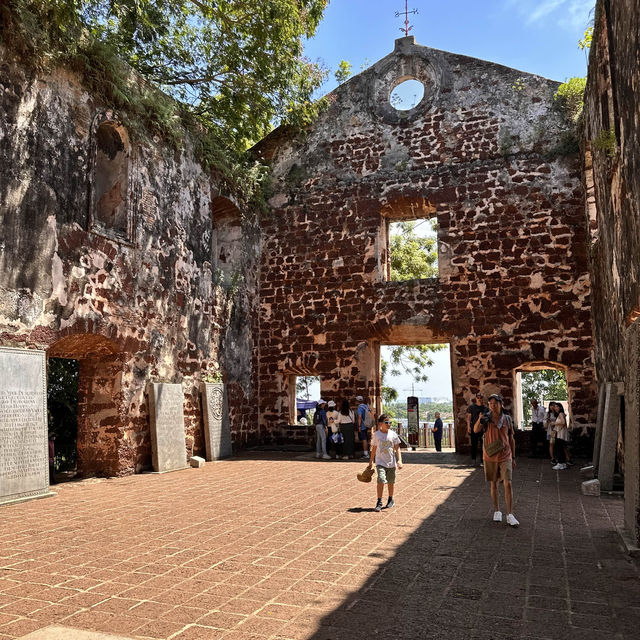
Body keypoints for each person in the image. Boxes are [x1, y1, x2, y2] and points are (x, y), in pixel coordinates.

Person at [473, 393, 519, 527]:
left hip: (506, 455)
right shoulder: (486, 418)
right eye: (491, 404)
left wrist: (514, 457)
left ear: (501, 404)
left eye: (495, 403)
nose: (493, 406)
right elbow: (476, 430)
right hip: (490, 456)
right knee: (493, 484)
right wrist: (480, 419)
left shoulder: (507, 419)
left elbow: (511, 439)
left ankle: (510, 514)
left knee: (508, 483)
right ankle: (497, 510)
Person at [368, 414, 402, 512]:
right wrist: (371, 461)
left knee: (391, 482)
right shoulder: (377, 435)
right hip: (380, 462)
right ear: (380, 424)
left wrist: (399, 460)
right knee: (381, 479)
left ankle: (391, 499)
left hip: (391, 463)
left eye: (390, 423)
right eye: (386, 422)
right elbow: (374, 448)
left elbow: (397, 448)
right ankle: (379, 501)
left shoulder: (393, 434)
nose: (389, 424)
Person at [466, 392, 487, 466]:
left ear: (483, 399)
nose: (479, 399)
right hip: (473, 428)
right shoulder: (472, 407)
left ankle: (482, 460)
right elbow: (468, 418)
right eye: (478, 398)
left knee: (483, 445)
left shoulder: (485, 408)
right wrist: (468, 427)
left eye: (481, 398)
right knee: (474, 444)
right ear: (476, 398)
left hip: (482, 429)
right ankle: (473, 460)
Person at [552, 404, 572, 470]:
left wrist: (554, 423)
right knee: (561, 448)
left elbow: (563, 423)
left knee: (559, 449)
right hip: (561, 433)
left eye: (557, 406)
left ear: (560, 407)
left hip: (561, 433)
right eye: (555, 407)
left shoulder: (560, 414)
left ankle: (560, 463)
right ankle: (562, 463)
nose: (555, 408)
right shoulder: (561, 414)